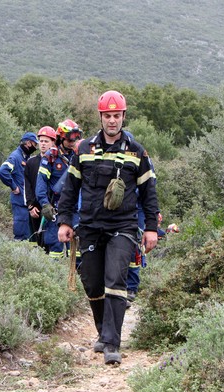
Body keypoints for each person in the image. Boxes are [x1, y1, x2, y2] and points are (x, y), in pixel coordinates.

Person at [57, 90, 159, 365]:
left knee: (116, 279)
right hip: (89, 226)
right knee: (92, 281)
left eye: (117, 115)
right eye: (108, 116)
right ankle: (103, 332)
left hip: (123, 226)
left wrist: (150, 228)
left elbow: (149, 193)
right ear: (101, 117)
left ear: (123, 117)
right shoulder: (84, 149)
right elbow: (70, 188)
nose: (112, 120)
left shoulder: (138, 152)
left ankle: (113, 343)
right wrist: (65, 221)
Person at [36, 119, 83, 259]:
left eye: (76, 137)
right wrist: (44, 204)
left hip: (75, 209)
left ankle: (77, 276)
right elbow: (41, 183)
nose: (73, 140)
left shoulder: (79, 154)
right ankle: (54, 276)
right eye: (70, 137)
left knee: (77, 247)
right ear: (61, 137)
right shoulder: (51, 156)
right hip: (55, 208)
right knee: (55, 247)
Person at [0, 132, 38, 240]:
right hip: (20, 203)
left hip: (26, 204)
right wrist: (13, 186)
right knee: (20, 236)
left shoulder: (26, 157)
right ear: (28, 143)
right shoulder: (16, 156)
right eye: (35, 144)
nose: (36, 147)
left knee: (30, 236)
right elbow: (2, 171)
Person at [26, 126, 57, 247]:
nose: (43, 144)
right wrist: (30, 206)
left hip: (51, 207)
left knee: (50, 240)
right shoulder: (31, 162)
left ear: (53, 142)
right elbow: (27, 186)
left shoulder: (57, 162)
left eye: (46, 141)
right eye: (41, 141)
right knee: (35, 241)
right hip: (36, 208)